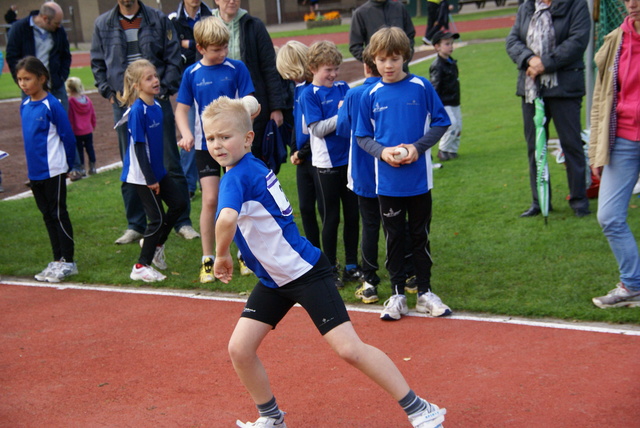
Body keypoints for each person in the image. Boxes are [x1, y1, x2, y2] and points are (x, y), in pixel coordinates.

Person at [205, 96, 447, 428]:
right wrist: (247, 106)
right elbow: (245, 111)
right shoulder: (244, 159)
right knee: (240, 349)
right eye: (211, 138)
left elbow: (226, 219)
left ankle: (421, 408)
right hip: (275, 280)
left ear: (247, 139)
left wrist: (220, 256)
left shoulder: (234, 178)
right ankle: (271, 417)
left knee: (350, 350)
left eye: (224, 137)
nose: (217, 145)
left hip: (305, 273)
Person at [355, 27, 452, 321]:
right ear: (374, 59)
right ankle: (397, 294)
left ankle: (425, 293)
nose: (389, 65)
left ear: (405, 57)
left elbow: (441, 122)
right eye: (383, 59)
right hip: (387, 184)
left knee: (420, 237)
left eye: (395, 58)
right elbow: (362, 136)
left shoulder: (421, 87)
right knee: (394, 238)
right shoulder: (369, 94)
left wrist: (417, 147)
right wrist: (383, 152)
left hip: (419, 181)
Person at [91, 0, 199, 244]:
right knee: (131, 166)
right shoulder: (103, 24)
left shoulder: (157, 19)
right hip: (123, 104)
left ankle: (182, 222)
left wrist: (164, 89)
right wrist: (109, 92)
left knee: (171, 161)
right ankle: (136, 225)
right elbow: (97, 63)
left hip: (156, 101)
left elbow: (174, 56)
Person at [175, 16, 255, 284]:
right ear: (200, 48)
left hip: (234, 146)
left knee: (239, 199)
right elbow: (182, 109)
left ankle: (245, 254)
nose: (222, 54)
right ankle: (207, 258)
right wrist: (186, 133)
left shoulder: (237, 68)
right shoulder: (192, 74)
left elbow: (250, 104)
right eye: (216, 49)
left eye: (224, 48)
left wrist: (246, 126)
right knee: (210, 200)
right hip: (204, 146)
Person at [506, 0, 591, 218]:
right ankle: (540, 201)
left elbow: (578, 40)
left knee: (571, 144)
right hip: (531, 89)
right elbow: (513, 40)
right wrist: (529, 59)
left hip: (565, 88)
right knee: (535, 147)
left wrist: (546, 63)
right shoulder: (527, 6)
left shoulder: (575, 5)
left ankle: (579, 200)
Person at [117, 59, 188, 283]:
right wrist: (150, 179)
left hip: (157, 171)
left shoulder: (156, 106)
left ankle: (156, 245)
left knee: (179, 203)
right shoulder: (137, 111)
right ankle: (141, 265)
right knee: (155, 219)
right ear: (137, 85)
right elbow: (139, 146)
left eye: (155, 76)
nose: (155, 80)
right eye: (149, 78)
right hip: (142, 175)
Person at [589, 0, 640, 309]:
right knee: (608, 215)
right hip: (622, 140)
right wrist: (596, 149)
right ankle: (633, 284)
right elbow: (600, 98)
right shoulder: (615, 40)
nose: (632, 3)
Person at [299, 40, 361, 289]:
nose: (334, 74)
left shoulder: (344, 87)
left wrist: (345, 112)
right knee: (331, 218)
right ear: (313, 68)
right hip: (326, 164)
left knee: (353, 215)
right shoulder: (308, 95)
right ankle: (330, 268)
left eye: (336, 68)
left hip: (349, 161)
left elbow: (353, 115)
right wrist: (342, 114)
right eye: (328, 70)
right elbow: (319, 129)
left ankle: (351, 266)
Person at [5, 2, 84, 182]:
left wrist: (60, 77)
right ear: (45, 19)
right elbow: (11, 55)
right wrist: (22, 81)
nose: (59, 26)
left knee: (64, 125)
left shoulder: (58, 32)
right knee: (34, 130)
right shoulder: (19, 29)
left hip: (54, 87)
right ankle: (38, 172)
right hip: (29, 90)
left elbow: (65, 55)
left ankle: (75, 167)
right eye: (56, 23)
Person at [16, 56, 78, 283]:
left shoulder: (52, 105)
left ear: (41, 78)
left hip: (54, 170)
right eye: (20, 79)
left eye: (28, 79)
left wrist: (68, 164)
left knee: (59, 214)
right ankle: (57, 259)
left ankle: (69, 262)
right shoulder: (24, 105)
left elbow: (68, 137)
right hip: (36, 172)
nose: (23, 83)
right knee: (47, 216)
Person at [212, 0, 287, 161]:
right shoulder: (207, 26)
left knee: (255, 155)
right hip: (220, 106)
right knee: (226, 156)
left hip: (252, 105)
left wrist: (276, 107)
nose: (232, 1)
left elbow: (269, 67)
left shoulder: (254, 25)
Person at [275, 40, 321, 249]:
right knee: (305, 207)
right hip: (303, 158)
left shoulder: (313, 90)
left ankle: (330, 258)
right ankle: (314, 251)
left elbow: (315, 129)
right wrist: (294, 149)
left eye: (289, 72)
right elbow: (296, 124)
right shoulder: (298, 89)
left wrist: (301, 152)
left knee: (324, 209)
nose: (288, 78)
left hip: (318, 157)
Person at [169, 0, 213, 199]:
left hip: (210, 82)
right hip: (187, 81)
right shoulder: (173, 19)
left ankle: (210, 180)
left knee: (212, 131)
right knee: (188, 134)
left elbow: (212, 42)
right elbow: (171, 46)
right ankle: (189, 185)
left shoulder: (212, 14)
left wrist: (189, 43)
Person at [349, 0, 415, 72]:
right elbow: (355, 45)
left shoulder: (399, 8)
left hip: (402, 70)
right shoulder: (361, 13)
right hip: (376, 74)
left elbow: (410, 35)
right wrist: (374, 63)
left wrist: (404, 59)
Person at [429, 31, 461, 162]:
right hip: (444, 102)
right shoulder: (437, 65)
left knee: (458, 126)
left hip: (454, 100)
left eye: (452, 44)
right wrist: (435, 105)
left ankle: (451, 150)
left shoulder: (451, 62)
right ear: (437, 47)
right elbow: (435, 86)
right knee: (451, 125)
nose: (451, 46)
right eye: (447, 44)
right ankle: (443, 149)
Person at [66, 77, 98, 176]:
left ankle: (82, 168)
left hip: (76, 131)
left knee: (79, 150)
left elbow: (70, 117)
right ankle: (92, 166)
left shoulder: (70, 102)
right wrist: (93, 124)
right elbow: (92, 114)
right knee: (90, 148)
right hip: (88, 130)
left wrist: (70, 129)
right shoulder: (87, 100)